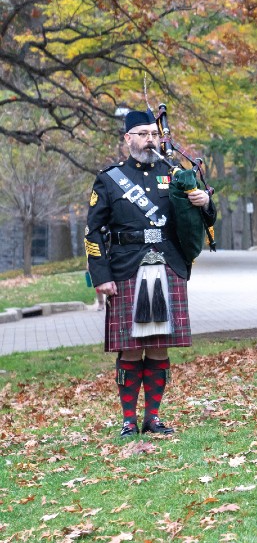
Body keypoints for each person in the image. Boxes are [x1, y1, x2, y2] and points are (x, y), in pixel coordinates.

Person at [85, 109, 216, 437]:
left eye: (153, 134)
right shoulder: (110, 179)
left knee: (159, 346)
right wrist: (101, 276)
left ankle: (152, 418)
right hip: (126, 268)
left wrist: (204, 202)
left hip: (167, 264)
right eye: (142, 134)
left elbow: (204, 220)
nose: (149, 139)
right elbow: (93, 232)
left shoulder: (176, 173)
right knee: (130, 347)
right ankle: (129, 419)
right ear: (127, 138)